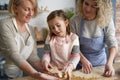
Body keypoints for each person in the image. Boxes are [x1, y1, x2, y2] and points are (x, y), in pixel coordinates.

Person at [0, 0, 60, 80]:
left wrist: (46, 68)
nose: (31, 13)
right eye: (27, 9)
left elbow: (33, 57)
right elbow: (13, 54)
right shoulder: (5, 25)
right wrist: (35, 74)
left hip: (18, 75)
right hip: (3, 73)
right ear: (15, 8)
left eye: (32, 9)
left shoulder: (31, 29)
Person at [69, 0, 118, 77]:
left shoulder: (106, 20)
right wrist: (82, 60)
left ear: (100, 8)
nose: (88, 9)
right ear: (82, 2)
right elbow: (72, 45)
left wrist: (109, 63)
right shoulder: (74, 21)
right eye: (86, 4)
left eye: (93, 6)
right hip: (80, 65)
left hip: (101, 66)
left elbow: (112, 43)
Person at [42, 10, 80, 78]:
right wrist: (45, 61)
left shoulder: (74, 38)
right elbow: (46, 53)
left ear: (66, 23)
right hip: (52, 71)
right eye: (52, 27)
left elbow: (75, 56)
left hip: (67, 70)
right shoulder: (50, 38)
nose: (55, 30)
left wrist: (70, 67)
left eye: (58, 25)